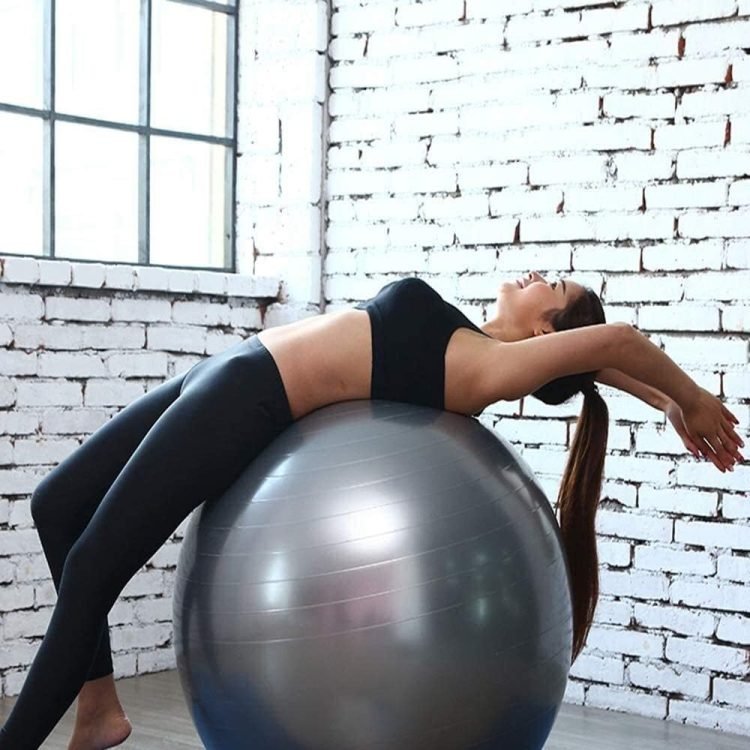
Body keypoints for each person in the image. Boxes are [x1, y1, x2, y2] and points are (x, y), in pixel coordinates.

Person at [0, 271, 743, 750]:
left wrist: (695, 397)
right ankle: (99, 709)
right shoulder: (475, 338)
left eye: (551, 283)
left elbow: (613, 340)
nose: (535, 273)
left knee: (94, 564)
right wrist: (664, 399)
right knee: (55, 504)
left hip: (248, 397)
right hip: (225, 370)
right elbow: (601, 357)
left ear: (547, 331)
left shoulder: (485, 368)